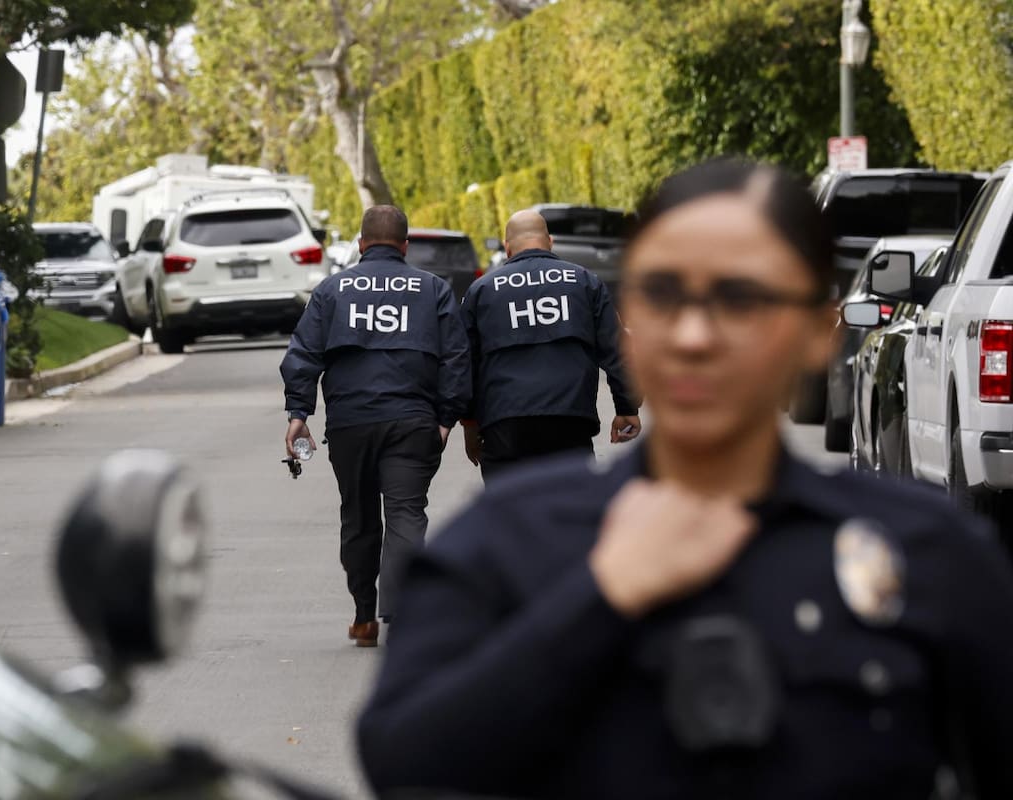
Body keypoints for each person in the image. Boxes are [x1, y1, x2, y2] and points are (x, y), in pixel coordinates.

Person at [355, 160, 1013, 797]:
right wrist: (601, 596)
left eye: (742, 297)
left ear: (819, 330)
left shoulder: (928, 555)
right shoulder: (502, 542)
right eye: (664, 294)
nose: (695, 333)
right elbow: (405, 760)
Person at [279, 205, 470, 648]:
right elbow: (457, 359)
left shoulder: (331, 291)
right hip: (413, 422)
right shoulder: (433, 290)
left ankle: (365, 616)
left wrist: (298, 415)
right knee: (406, 515)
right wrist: (446, 418)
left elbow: (302, 356)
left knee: (360, 518)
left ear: (361, 245)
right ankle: (403, 615)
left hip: (351, 424)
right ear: (405, 246)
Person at [460, 209, 640, 480]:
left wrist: (470, 425)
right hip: (570, 418)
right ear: (550, 241)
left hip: (504, 423)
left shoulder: (481, 291)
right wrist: (626, 408)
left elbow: (466, 364)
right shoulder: (584, 282)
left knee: (508, 512)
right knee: (571, 509)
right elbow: (616, 349)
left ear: (507, 248)